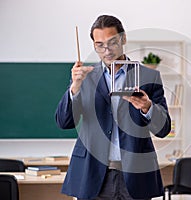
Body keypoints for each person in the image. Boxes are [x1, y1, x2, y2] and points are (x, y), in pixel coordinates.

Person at [55, 15, 171, 200]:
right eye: (100, 44)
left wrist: (147, 108)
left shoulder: (149, 76)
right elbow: (64, 122)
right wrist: (74, 88)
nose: (107, 50)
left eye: (112, 42)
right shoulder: (84, 77)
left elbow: (164, 129)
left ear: (123, 39)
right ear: (94, 45)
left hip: (136, 175)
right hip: (92, 174)